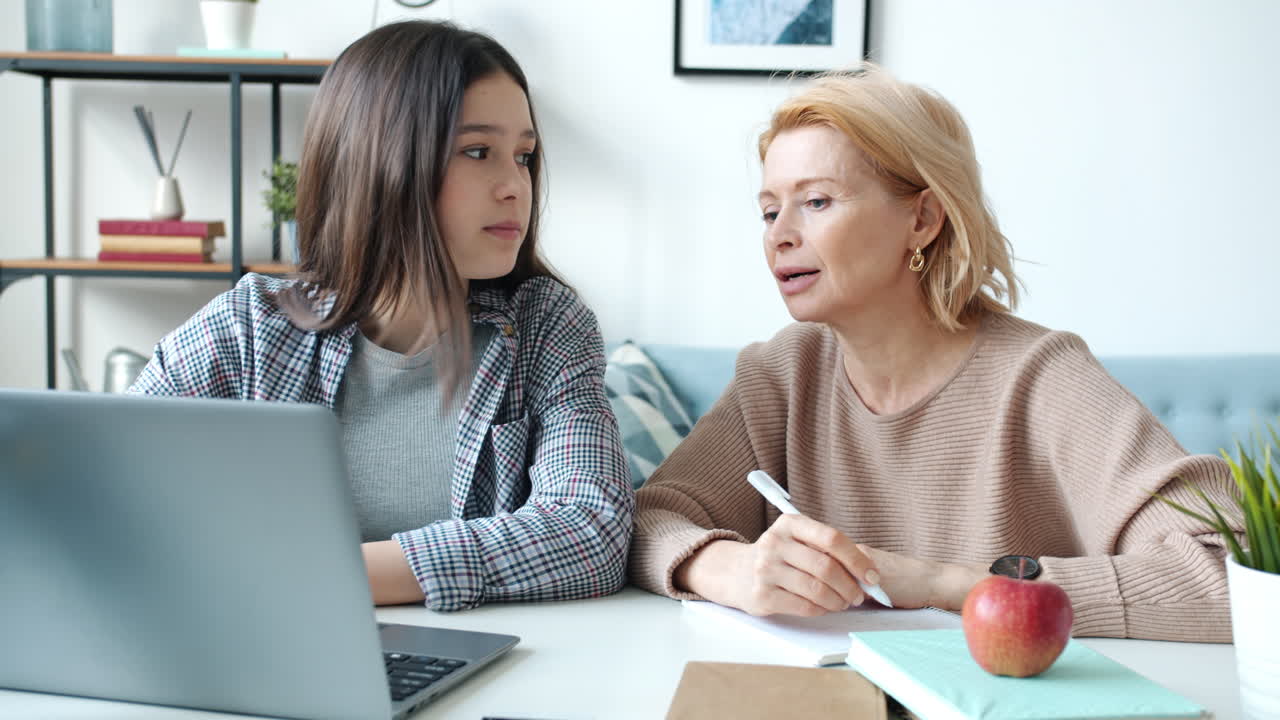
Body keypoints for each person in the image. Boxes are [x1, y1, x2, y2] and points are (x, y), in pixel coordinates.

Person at [628, 64, 1237, 642]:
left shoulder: (1043, 377)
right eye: (769, 209)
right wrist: (727, 567)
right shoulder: (782, 373)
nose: (779, 234)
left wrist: (940, 583)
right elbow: (647, 519)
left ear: (922, 219)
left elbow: (1228, 569)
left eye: (816, 202)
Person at [130, 20, 634, 612]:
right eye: (478, 152)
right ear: (382, 162)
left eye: (524, 156)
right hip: (271, 653)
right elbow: (112, 487)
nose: (515, 186)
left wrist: (324, 576)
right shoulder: (251, 326)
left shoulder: (547, 323)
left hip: (476, 663)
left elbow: (592, 532)